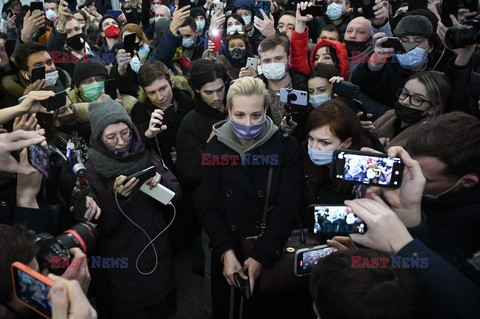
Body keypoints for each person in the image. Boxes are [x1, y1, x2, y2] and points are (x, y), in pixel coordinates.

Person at [200, 76, 302, 318]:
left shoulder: (286, 147)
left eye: (255, 115)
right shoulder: (214, 148)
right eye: (240, 115)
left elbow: (287, 207)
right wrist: (225, 251)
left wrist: (261, 256)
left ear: (266, 111)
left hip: (269, 247)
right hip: (228, 248)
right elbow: (208, 205)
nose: (247, 123)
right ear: (229, 112)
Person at [84, 97, 181, 318]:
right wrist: (118, 198)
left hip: (155, 242)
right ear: (98, 138)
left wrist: (161, 182)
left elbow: (176, 195)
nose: (120, 141)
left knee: (162, 306)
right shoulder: (91, 171)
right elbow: (101, 228)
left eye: (125, 133)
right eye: (111, 137)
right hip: (121, 258)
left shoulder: (145, 152)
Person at [405, 112, 480, 282]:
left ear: (466, 182)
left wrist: (411, 223)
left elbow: (422, 266)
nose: (407, 180)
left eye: (423, 179)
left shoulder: (468, 226)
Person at [302, 99, 369, 224]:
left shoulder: (362, 172)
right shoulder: (303, 152)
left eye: (324, 142)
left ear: (346, 143)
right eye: (311, 139)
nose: (314, 147)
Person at [131, 60, 193, 173]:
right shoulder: (140, 112)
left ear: (172, 83)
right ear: (145, 92)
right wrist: (147, 135)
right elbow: (133, 148)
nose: (159, 97)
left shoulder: (189, 103)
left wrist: (187, 153)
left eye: (163, 89)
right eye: (152, 93)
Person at [374, 71, 451, 148]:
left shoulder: (430, 138)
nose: (405, 101)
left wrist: (382, 153)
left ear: (434, 108)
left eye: (417, 99)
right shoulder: (390, 114)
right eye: (404, 93)